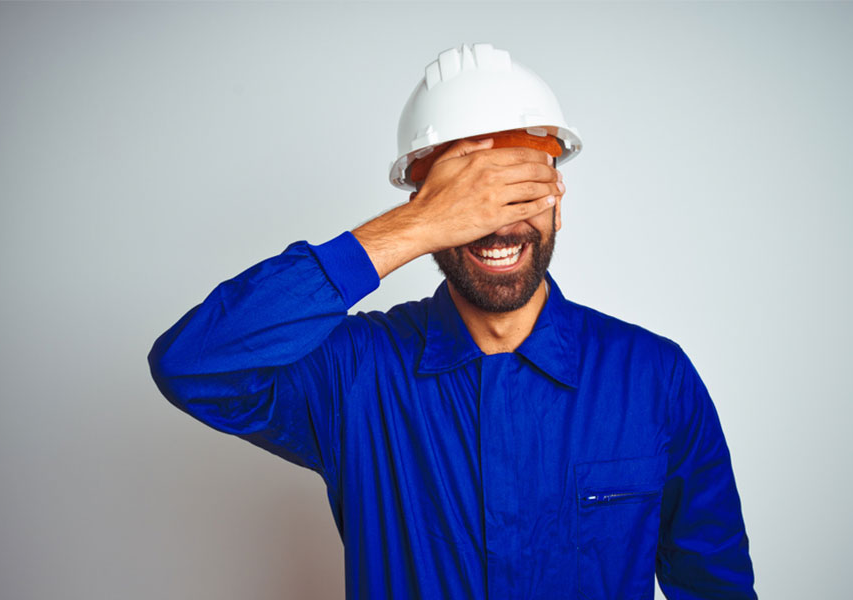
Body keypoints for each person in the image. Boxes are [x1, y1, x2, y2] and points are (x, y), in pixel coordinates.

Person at [148, 42, 756, 600]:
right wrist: (409, 229)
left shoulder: (653, 377)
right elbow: (194, 366)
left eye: (519, 189)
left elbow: (714, 585)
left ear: (558, 203)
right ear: (426, 207)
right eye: (465, 197)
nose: (495, 221)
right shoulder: (357, 373)